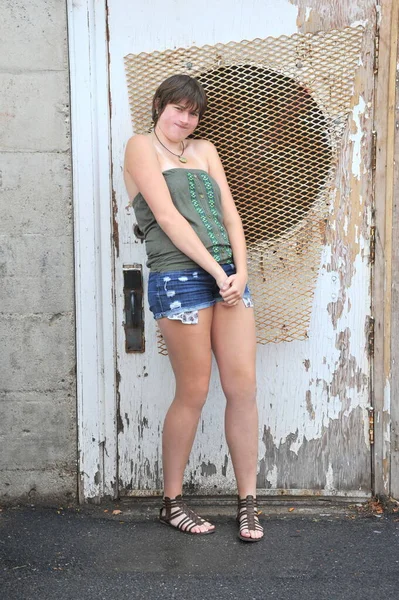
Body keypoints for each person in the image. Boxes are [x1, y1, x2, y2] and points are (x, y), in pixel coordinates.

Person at [123, 74, 263, 542]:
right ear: (159, 104)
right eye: (177, 108)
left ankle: (248, 504)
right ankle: (172, 502)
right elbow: (166, 217)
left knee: (242, 387)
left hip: (227, 275)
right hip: (179, 276)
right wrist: (217, 271)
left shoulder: (204, 150)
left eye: (193, 112)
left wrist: (239, 271)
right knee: (194, 391)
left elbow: (230, 215)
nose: (185, 119)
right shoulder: (140, 147)